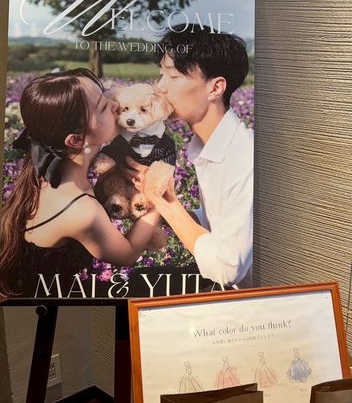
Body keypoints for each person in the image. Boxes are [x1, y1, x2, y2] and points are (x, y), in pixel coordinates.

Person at [0, 69, 161, 298]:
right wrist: (156, 197)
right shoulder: (82, 211)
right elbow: (127, 254)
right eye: (102, 107)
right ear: (76, 140)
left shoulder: (48, 175)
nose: (115, 104)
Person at [127, 25, 252, 288]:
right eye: (161, 74)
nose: (159, 87)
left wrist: (164, 202)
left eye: (173, 76)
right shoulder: (214, 146)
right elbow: (220, 219)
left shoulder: (245, 157)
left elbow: (227, 268)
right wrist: (154, 209)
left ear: (215, 88)